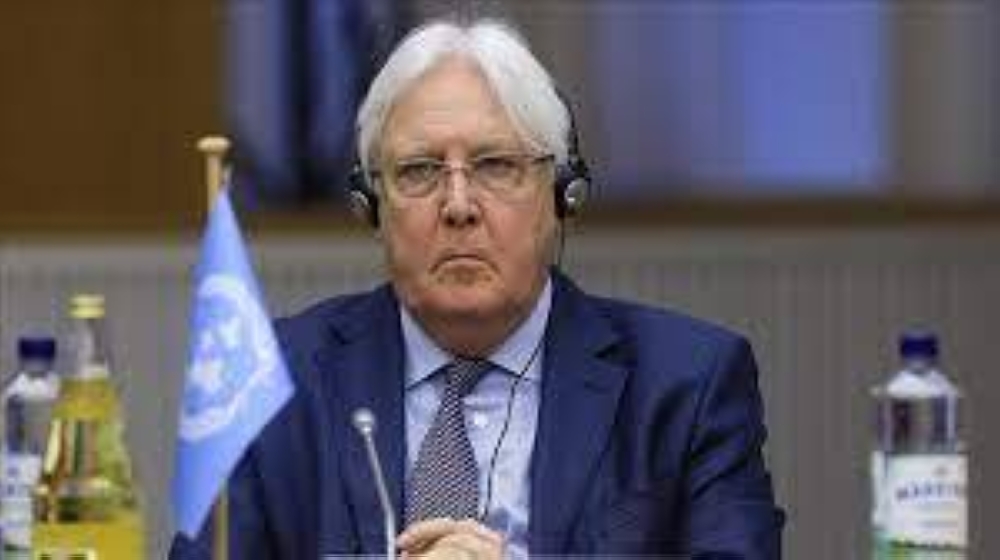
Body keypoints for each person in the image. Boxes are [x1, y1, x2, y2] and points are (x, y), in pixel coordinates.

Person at [171, 16, 784, 559]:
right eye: (419, 171)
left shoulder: (685, 385)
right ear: (372, 205)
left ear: (562, 195)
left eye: (496, 166)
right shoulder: (270, 382)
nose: (459, 205)